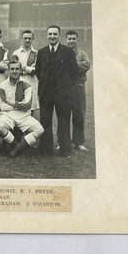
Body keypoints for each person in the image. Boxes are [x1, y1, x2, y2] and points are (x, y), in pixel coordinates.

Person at [35, 25, 79, 157]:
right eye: (50, 34)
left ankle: (65, 151)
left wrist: (66, 86)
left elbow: (74, 73)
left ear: (60, 36)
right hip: (46, 93)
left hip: (63, 93)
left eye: (55, 34)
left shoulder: (68, 52)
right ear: (47, 36)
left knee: (64, 121)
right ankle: (46, 150)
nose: (52, 37)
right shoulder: (42, 52)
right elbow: (38, 71)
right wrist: (45, 83)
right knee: (45, 121)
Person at [0, 61, 44, 158]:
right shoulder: (1, 85)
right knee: (0, 127)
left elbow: (28, 105)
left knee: (40, 130)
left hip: (24, 115)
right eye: (12, 69)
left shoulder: (27, 85)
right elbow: (2, 106)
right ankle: (17, 147)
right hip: (7, 115)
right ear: (8, 70)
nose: (14, 71)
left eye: (17, 69)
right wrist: (20, 104)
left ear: (20, 70)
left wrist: (12, 102)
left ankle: (17, 149)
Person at [65, 30, 91, 152]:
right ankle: (63, 141)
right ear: (65, 40)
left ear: (77, 40)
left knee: (79, 115)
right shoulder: (62, 53)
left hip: (78, 86)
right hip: (65, 88)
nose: (71, 41)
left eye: (73, 39)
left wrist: (71, 64)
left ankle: (78, 142)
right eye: (69, 39)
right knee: (64, 115)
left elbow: (86, 65)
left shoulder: (83, 54)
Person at [11, 30, 39, 118]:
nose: (27, 40)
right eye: (25, 38)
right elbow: (14, 70)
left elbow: (38, 70)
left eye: (29, 38)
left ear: (33, 39)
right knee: (20, 105)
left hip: (32, 81)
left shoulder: (37, 53)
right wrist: (31, 68)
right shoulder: (16, 53)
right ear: (21, 39)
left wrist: (25, 68)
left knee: (32, 106)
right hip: (19, 81)